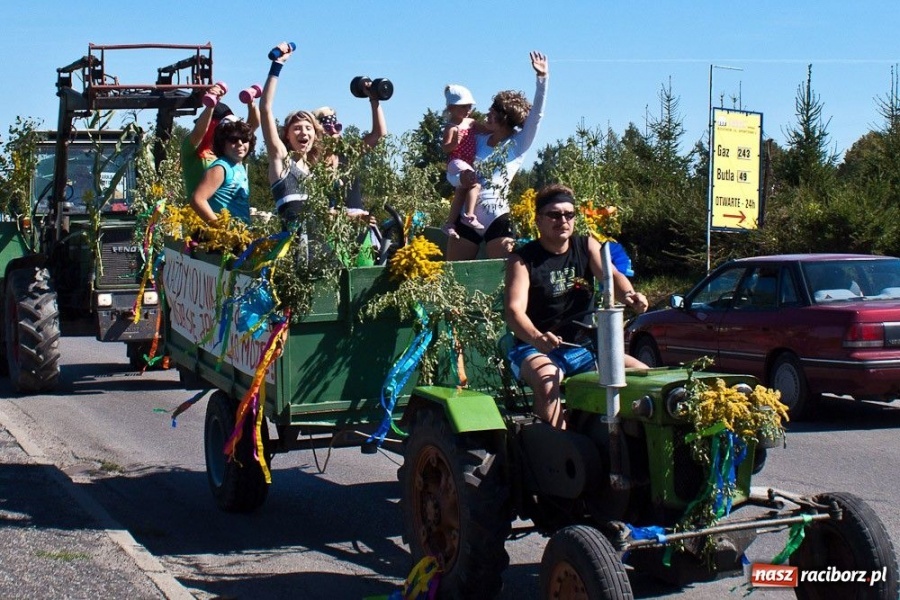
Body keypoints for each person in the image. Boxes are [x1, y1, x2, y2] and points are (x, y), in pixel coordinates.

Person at [504, 184, 650, 428]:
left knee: (644, 377)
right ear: (539, 220)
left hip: (584, 348)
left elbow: (611, 276)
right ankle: (554, 452)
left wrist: (631, 295)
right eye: (554, 214)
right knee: (547, 381)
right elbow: (513, 311)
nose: (563, 220)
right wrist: (538, 338)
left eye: (569, 215)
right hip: (535, 349)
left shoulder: (587, 246)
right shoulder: (522, 260)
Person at [446, 51, 549, 261]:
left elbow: (536, 116)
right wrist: (459, 179)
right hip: (467, 216)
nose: (486, 115)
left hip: (497, 216)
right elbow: (452, 166)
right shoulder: (477, 138)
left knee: (503, 280)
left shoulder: (518, 143)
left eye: (492, 113)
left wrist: (542, 79)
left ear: (504, 118)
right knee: (453, 277)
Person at [260, 42, 325, 226]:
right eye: (296, 128)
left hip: (319, 251)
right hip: (292, 250)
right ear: (286, 135)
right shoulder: (282, 161)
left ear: (315, 135)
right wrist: (277, 65)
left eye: (308, 127)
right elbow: (265, 109)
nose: (303, 132)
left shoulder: (315, 174)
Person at [311, 82, 387, 217]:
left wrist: (374, 99)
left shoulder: (348, 153)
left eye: (337, 126)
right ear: (317, 134)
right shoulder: (311, 163)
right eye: (327, 128)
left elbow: (379, 135)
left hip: (358, 227)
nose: (334, 131)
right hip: (329, 229)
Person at [181, 84, 260, 199]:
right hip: (197, 215)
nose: (231, 133)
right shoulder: (193, 151)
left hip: (227, 215)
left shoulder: (230, 151)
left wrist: (251, 102)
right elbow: (200, 131)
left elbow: (251, 127)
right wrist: (210, 104)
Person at [189, 119, 255, 224]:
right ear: (222, 143)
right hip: (223, 237)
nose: (240, 143)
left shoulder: (239, 166)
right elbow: (197, 199)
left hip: (240, 234)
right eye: (233, 140)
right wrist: (220, 229)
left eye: (244, 139)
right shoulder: (220, 167)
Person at [441, 84, 484, 239]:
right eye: (463, 107)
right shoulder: (451, 127)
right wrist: (454, 143)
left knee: (461, 190)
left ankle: (449, 224)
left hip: (466, 163)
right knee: (475, 182)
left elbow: (486, 129)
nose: (468, 110)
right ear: (452, 108)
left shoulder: (471, 122)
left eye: (469, 107)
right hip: (456, 162)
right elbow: (446, 148)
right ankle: (469, 214)